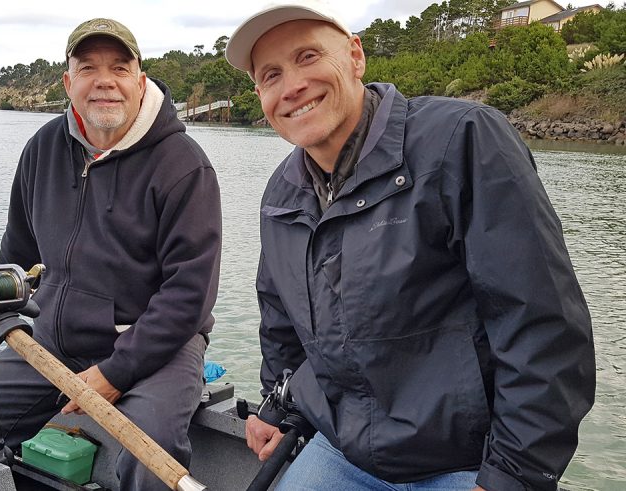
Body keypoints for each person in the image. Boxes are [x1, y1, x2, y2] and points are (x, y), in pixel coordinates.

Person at [224, 2, 595, 490]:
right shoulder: (282, 193)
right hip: (343, 449)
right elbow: (280, 319)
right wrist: (278, 403)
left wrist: (512, 475)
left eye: (309, 56)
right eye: (271, 74)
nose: (292, 85)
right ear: (260, 94)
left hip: (466, 462)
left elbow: (542, 325)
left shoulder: (464, 139)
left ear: (355, 57)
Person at [0, 18, 222, 491]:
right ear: (69, 82)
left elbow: (189, 297)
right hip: (55, 342)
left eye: (119, 67)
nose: (104, 81)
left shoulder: (184, 165)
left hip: (159, 350)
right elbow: (18, 254)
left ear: (140, 81)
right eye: (88, 67)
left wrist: (114, 374)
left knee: (149, 461)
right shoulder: (42, 148)